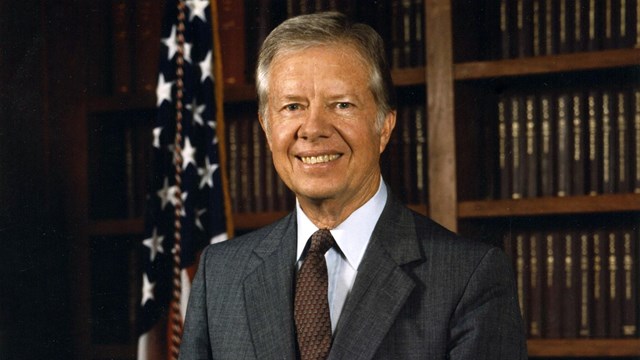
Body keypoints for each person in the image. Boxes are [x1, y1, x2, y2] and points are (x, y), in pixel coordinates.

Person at [179, 11, 527, 360]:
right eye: (292, 106)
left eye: (341, 104)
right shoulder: (219, 274)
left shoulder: (469, 277)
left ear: (384, 126)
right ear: (267, 127)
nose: (313, 128)